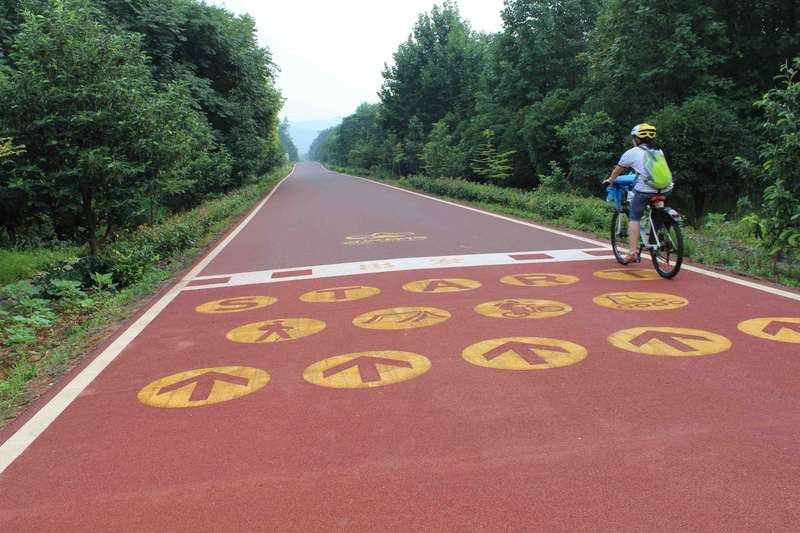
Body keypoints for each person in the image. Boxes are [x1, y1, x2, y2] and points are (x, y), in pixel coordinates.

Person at [605, 123, 673, 263]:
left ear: (636, 138)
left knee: (635, 217)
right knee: (657, 209)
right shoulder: (658, 151)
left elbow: (617, 171)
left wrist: (611, 182)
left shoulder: (632, 152)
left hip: (646, 190)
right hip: (666, 188)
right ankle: (655, 238)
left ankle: (632, 252)